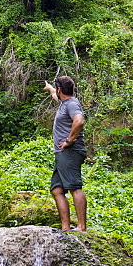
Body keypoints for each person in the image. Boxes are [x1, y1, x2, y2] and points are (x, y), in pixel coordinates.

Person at [45, 75, 87, 232]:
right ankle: (65, 227)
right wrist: (50, 88)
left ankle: (82, 227)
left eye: (56, 88)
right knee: (57, 189)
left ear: (60, 89)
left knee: (74, 187)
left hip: (70, 151)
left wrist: (69, 140)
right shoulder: (64, 102)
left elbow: (79, 121)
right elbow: (56, 97)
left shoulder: (72, 104)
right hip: (62, 153)